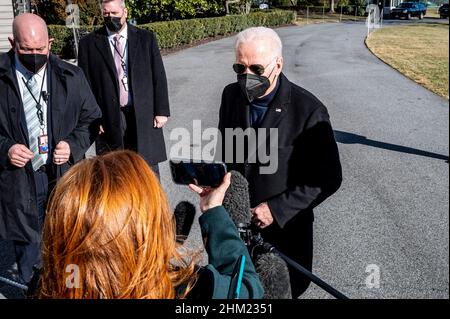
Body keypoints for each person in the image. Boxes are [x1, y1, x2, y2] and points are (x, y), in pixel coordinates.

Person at [217, 27, 342, 298]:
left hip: (286, 236)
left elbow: (329, 178)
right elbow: (230, 157)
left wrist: (276, 209)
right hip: (239, 232)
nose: (247, 77)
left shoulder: (308, 110)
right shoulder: (230, 96)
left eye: (256, 69)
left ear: (278, 64)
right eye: (240, 68)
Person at [38, 150, 264, 299]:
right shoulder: (189, 288)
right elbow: (247, 290)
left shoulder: (51, 285)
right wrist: (214, 212)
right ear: (143, 228)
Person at [0, 13, 101, 286]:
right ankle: (34, 289)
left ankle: (69, 290)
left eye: (41, 49)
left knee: (70, 243)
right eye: (27, 50)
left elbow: (91, 118)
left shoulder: (71, 75)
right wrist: (6, 149)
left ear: (51, 43)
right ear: (12, 42)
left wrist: (72, 145)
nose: (35, 55)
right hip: (19, 180)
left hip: (62, 175)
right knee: (30, 253)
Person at [78, 0, 170, 177]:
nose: (110, 18)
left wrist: (162, 110)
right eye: (106, 14)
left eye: (114, 14)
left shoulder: (146, 39)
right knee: (114, 170)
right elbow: (85, 87)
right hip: (108, 116)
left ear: (125, 12)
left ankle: (151, 204)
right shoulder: (89, 44)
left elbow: (158, 75)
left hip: (143, 113)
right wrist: (92, 118)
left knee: (147, 169)